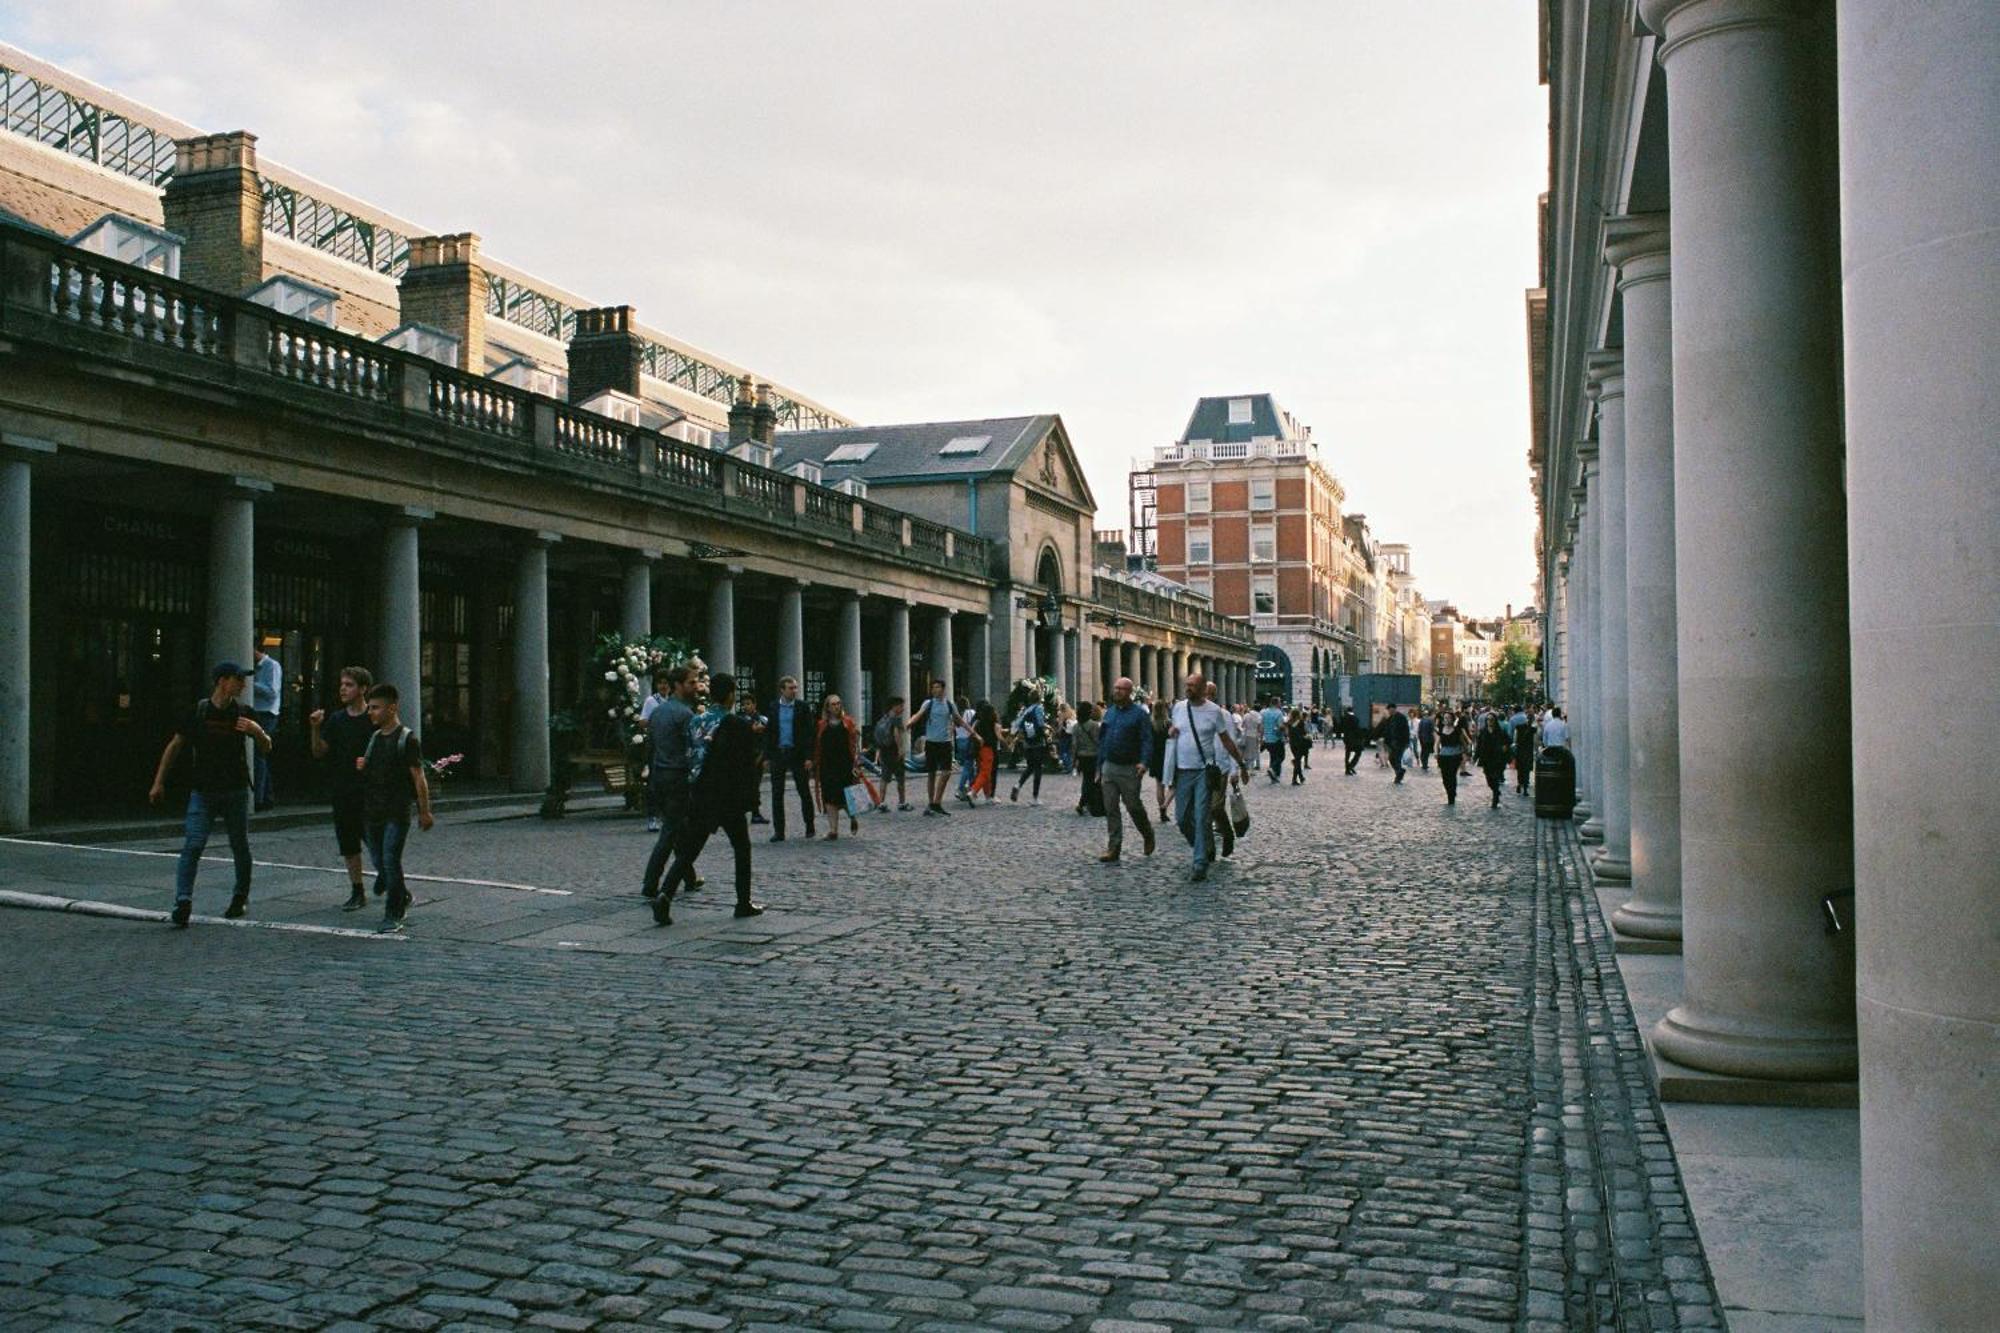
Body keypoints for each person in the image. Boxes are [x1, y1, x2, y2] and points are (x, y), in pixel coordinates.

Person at [149, 661, 270, 928]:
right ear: (221, 681)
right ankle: (183, 900)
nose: (243, 683)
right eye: (238, 679)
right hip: (203, 790)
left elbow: (266, 747)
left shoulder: (244, 713)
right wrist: (159, 782)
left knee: (240, 845)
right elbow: (175, 745)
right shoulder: (200, 711)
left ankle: (240, 897)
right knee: (193, 844)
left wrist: (257, 731)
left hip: (235, 790)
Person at [652, 673, 764, 926]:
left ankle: (665, 894)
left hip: (701, 792)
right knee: (742, 848)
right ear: (731, 695)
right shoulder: (737, 724)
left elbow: (691, 754)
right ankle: (743, 902)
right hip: (728, 796)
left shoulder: (696, 720)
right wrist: (751, 799)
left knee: (690, 850)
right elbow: (744, 766)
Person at [359, 683, 434, 932]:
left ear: (392, 708)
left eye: (376, 708)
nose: (370, 712)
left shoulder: (407, 738)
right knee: (379, 859)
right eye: (369, 707)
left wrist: (424, 810)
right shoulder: (374, 738)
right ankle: (401, 893)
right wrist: (363, 766)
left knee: (390, 859)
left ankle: (394, 912)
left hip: (396, 809)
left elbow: (418, 777)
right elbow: (371, 770)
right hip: (373, 809)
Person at [1162, 672, 1245, 882]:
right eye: (1186, 685)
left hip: (1203, 770)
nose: (1187, 688)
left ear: (1202, 689)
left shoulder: (1214, 711)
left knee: (1202, 817)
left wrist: (1240, 765)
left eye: (1192, 686)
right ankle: (1202, 845)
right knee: (1182, 818)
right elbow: (1176, 729)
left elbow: (1227, 740)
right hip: (1182, 770)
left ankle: (1200, 863)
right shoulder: (1179, 708)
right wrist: (1171, 731)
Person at [309, 665, 376, 910]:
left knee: (377, 842)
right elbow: (319, 752)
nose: (343, 689)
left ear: (363, 689)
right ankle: (357, 890)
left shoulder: (373, 718)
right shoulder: (337, 719)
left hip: (370, 791)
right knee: (348, 843)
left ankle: (394, 883)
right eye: (342, 684)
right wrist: (315, 727)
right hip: (343, 789)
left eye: (349, 684)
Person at [640, 666, 700, 899]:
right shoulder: (685, 715)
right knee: (671, 832)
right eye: (691, 683)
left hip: (660, 776)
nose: (696, 687)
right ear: (678, 685)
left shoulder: (658, 712)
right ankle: (650, 882)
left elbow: (651, 747)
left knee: (680, 830)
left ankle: (689, 877)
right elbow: (693, 750)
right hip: (677, 777)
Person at [1095, 678, 1155, 862]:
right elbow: (1103, 741)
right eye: (1115, 688)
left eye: (1121, 689)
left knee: (1133, 806)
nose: (1117, 691)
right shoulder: (1110, 713)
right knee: (1110, 807)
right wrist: (1099, 766)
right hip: (1110, 766)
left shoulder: (1139, 714)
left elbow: (1147, 740)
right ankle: (1114, 847)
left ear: (1129, 692)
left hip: (1130, 767)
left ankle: (1147, 833)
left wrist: (1144, 762)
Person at [765, 675, 816, 842]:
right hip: (779, 753)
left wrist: (809, 756)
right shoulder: (773, 707)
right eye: (791, 688)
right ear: (782, 690)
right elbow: (769, 732)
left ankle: (809, 825)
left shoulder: (803, 707)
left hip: (798, 754)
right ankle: (779, 831)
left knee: (804, 791)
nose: (794, 691)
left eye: (795, 688)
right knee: (777, 793)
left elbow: (809, 733)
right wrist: (767, 755)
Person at [906, 679, 957, 816]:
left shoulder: (949, 704)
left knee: (946, 772)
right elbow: (918, 714)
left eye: (937, 687)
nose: (935, 690)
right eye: (933, 687)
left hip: (945, 742)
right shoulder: (928, 703)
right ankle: (931, 803)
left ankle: (936, 802)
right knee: (932, 773)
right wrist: (909, 723)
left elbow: (959, 721)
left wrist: (973, 733)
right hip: (931, 743)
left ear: (943, 689)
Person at [815, 694, 863, 838]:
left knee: (846, 796)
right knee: (829, 797)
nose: (836, 706)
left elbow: (855, 744)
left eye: (838, 703)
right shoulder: (821, 724)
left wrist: (856, 762)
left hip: (845, 764)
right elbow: (818, 745)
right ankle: (833, 830)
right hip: (827, 765)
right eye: (833, 704)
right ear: (828, 707)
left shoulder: (848, 722)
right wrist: (815, 762)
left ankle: (852, 817)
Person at [250, 642, 283, 810]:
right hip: (256, 711)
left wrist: (251, 684)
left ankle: (260, 798)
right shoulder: (255, 667)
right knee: (260, 756)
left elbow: (272, 691)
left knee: (259, 755)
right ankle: (266, 796)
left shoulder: (272, 666)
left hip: (267, 713)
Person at [639, 670, 673, 832]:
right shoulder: (651, 701)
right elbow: (643, 721)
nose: (663, 686)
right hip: (656, 744)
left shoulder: (674, 700)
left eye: (666, 683)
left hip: (673, 745)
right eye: (660, 683)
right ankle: (653, 816)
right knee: (654, 781)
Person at [1009, 690, 1049, 805]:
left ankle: (1018, 785)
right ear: (1039, 698)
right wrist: (1046, 735)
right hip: (1037, 743)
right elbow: (1041, 725)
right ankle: (1035, 797)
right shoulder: (1038, 708)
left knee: (1030, 767)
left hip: (1028, 743)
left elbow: (1020, 726)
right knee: (1038, 769)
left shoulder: (1027, 710)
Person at [737, 690, 770, 824]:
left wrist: (764, 757)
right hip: (744, 758)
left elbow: (766, 741)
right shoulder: (739, 720)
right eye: (743, 704)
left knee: (755, 785)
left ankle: (755, 813)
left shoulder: (763, 720)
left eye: (748, 704)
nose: (746, 707)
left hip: (758, 756)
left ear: (754, 705)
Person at [872, 697, 910, 812]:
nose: (903, 708)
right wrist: (901, 749)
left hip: (885, 750)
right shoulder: (896, 719)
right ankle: (902, 802)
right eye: (901, 706)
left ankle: (881, 802)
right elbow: (897, 734)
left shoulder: (884, 718)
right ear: (895, 706)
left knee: (884, 778)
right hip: (894, 750)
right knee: (900, 778)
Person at [1072, 701, 1104, 817]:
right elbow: (1098, 741)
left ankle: (1085, 803)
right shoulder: (1094, 725)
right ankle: (1082, 803)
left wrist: (1074, 759)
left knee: (1086, 779)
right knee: (1090, 780)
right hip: (1093, 755)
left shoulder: (1076, 727)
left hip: (1081, 756)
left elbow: (1074, 745)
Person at [1475, 711, 1513, 809]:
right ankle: (1496, 791)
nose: (1489, 721)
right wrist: (1475, 756)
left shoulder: (1500, 731)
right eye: (1487, 720)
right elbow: (1479, 744)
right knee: (1489, 779)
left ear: (1495, 720)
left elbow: (1508, 740)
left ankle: (1495, 799)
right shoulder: (1483, 731)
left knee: (1495, 778)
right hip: (1486, 758)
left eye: (1491, 720)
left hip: (1497, 758)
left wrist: (1505, 747)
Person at [1436, 710, 1471, 806]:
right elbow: (1437, 742)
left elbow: (1463, 743)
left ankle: (1451, 796)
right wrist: (1436, 752)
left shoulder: (1457, 730)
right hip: (1443, 756)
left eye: (1449, 717)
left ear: (1452, 719)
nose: (1447, 719)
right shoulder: (1441, 729)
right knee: (1445, 778)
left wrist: (1466, 753)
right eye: (1445, 718)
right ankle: (1449, 792)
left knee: (1452, 776)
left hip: (1455, 756)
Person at [969, 701, 1000, 803]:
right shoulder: (992, 723)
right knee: (985, 773)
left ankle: (987, 796)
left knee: (984, 772)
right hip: (988, 749)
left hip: (978, 749)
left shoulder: (978, 722)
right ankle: (973, 791)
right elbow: (998, 735)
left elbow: (972, 733)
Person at [1149, 699, 1173, 822]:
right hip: (1168, 756)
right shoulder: (1168, 723)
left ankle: (1161, 809)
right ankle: (1165, 806)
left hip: (1156, 757)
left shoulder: (1151, 724)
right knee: (1173, 784)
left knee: (1159, 785)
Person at [1383, 705, 1413, 785]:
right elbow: (1387, 730)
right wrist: (1386, 741)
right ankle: (1399, 772)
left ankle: (1398, 776)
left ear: (1394, 709)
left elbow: (1406, 730)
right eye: (1389, 710)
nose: (1389, 711)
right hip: (1393, 743)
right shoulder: (1389, 719)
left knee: (1397, 758)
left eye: (1390, 710)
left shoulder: (1401, 717)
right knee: (1392, 758)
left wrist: (1407, 742)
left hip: (1401, 742)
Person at [1510, 704, 1536, 795]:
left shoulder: (1518, 727)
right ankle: (1524, 786)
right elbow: (1536, 738)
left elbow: (1514, 737)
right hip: (1528, 750)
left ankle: (1520, 784)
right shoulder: (1532, 729)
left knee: (1520, 768)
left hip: (1520, 749)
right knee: (1526, 769)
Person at [1259, 697, 1286, 783]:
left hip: (1267, 739)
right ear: (1277, 703)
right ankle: (1272, 769)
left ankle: (1275, 776)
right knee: (1281, 756)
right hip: (1276, 739)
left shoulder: (1264, 712)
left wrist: (1261, 738)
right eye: (1280, 702)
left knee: (1273, 756)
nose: (1280, 704)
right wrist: (1285, 730)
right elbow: (1280, 726)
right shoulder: (1279, 713)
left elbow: (1261, 726)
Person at [1288, 706, 1313, 785]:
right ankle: (1294, 779)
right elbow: (1303, 733)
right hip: (1300, 743)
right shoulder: (1300, 722)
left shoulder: (1290, 722)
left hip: (1292, 743)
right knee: (1297, 761)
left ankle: (1301, 777)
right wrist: (1308, 737)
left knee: (1297, 760)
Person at [1341, 707, 1367, 774]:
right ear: (1352, 710)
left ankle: (1347, 769)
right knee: (1358, 753)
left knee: (1347, 754)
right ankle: (1351, 766)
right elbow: (1357, 729)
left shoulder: (1344, 718)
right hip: (1354, 739)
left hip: (1347, 738)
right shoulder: (1355, 718)